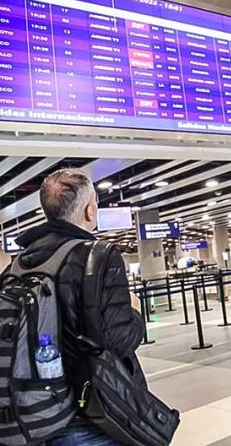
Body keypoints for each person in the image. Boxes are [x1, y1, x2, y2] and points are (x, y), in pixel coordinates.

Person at [14, 168, 145, 446]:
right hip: (90, 410)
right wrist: (134, 310)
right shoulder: (99, 257)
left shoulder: (18, 264)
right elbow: (120, 341)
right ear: (89, 210)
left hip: (35, 412)